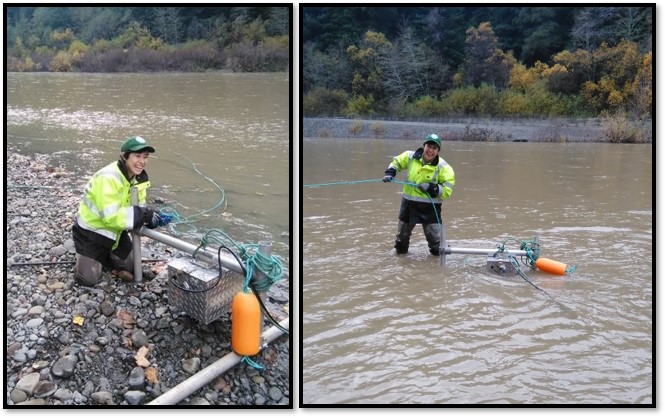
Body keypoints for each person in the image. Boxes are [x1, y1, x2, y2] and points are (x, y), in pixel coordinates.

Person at [72, 135, 171, 286]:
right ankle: (94, 257)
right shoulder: (108, 178)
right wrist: (144, 215)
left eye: (145, 157)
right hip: (92, 233)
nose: (142, 162)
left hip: (116, 234)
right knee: (87, 280)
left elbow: (139, 208)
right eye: (137, 156)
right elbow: (110, 218)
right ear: (125, 156)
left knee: (131, 267)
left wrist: (152, 217)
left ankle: (106, 258)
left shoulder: (139, 178)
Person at [382, 133, 455, 255]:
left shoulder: (444, 167)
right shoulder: (410, 156)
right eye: (429, 146)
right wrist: (390, 173)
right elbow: (396, 163)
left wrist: (432, 188)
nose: (430, 151)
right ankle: (400, 259)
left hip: (430, 209)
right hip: (408, 206)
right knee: (401, 242)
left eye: (434, 148)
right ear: (424, 146)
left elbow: (447, 190)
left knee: (437, 246)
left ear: (438, 151)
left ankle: (437, 264)